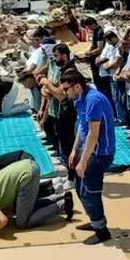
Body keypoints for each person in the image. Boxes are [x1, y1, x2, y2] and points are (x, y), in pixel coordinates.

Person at [60, 70, 116, 244]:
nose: (65, 93)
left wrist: (83, 161)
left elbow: (93, 134)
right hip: (87, 150)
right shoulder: (80, 99)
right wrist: (75, 150)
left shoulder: (93, 100)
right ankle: (95, 220)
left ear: (77, 86)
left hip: (99, 153)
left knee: (90, 192)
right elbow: (82, 128)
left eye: (66, 89)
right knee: (79, 187)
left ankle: (102, 231)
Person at [0, 159, 73, 235]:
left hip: (27, 174)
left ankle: (62, 205)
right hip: (26, 166)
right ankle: (62, 197)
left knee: (23, 222)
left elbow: (3, 220)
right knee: (21, 209)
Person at [40, 43, 80, 181]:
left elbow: (60, 94)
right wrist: (48, 89)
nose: (54, 59)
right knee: (63, 142)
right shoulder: (62, 69)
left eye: (56, 56)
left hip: (67, 113)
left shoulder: (70, 71)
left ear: (64, 56)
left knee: (69, 144)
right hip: (59, 113)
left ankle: (72, 175)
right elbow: (53, 88)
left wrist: (45, 82)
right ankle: (67, 168)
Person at [81, 17, 107, 94]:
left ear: (93, 24)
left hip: (98, 58)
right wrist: (89, 52)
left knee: (99, 79)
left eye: (89, 26)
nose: (89, 29)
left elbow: (99, 48)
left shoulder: (99, 32)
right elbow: (94, 44)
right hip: (93, 57)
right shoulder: (95, 31)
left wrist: (89, 53)